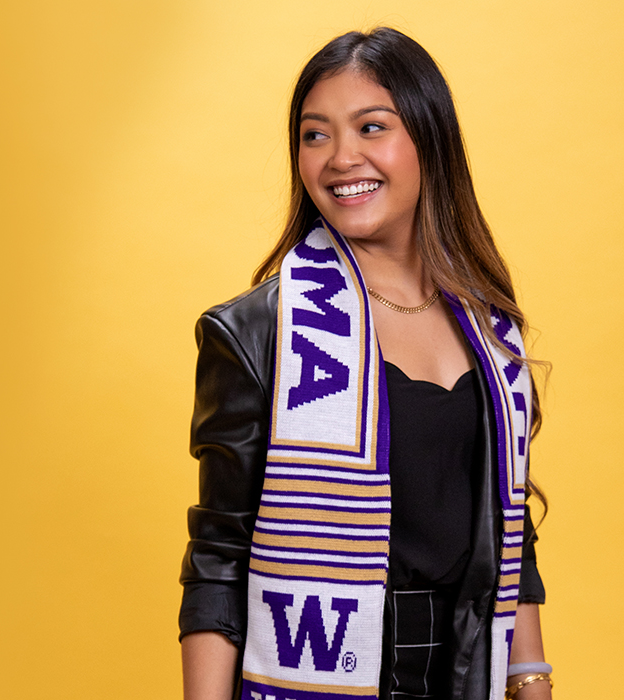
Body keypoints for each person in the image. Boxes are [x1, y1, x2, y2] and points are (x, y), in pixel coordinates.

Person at [178, 28, 553, 700]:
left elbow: (510, 527)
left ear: (429, 141)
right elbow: (218, 563)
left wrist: (531, 677)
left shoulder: (492, 326)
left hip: (471, 675)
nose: (340, 157)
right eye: (314, 135)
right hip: (329, 675)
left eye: (370, 127)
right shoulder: (257, 332)